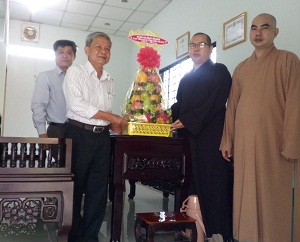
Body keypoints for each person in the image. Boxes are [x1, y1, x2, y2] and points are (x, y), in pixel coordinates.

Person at [220, 13, 300, 242]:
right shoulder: (241, 68)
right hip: (245, 143)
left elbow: (296, 103)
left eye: (264, 28)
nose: (257, 32)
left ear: (275, 32)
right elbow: (232, 107)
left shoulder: (289, 60)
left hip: (275, 142)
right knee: (246, 191)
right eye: (253, 28)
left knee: (274, 192)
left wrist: (292, 143)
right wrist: (228, 140)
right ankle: (245, 236)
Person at [63, 32, 128, 242]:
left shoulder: (109, 80)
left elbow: (103, 113)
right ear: (87, 49)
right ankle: (74, 235)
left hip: (102, 139)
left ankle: (90, 237)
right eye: (98, 46)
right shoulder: (76, 72)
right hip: (78, 135)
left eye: (107, 48)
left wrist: (115, 124)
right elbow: (77, 105)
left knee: (98, 191)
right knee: (74, 188)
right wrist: (111, 116)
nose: (103, 51)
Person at [171, 32, 233, 241]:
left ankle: (215, 230)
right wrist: (162, 118)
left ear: (211, 49)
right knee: (191, 181)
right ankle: (193, 226)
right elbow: (178, 106)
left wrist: (189, 119)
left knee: (212, 181)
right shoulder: (186, 78)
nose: (196, 48)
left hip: (211, 137)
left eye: (201, 44)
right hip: (189, 137)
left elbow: (215, 102)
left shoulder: (219, 71)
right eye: (192, 45)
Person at [31, 39, 77, 140]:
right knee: (61, 156)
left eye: (69, 52)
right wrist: (42, 133)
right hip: (57, 129)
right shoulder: (45, 77)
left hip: (78, 130)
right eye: (61, 52)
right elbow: (38, 106)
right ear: (55, 55)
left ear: (74, 57)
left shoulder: (78, 79)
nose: (65, 55)